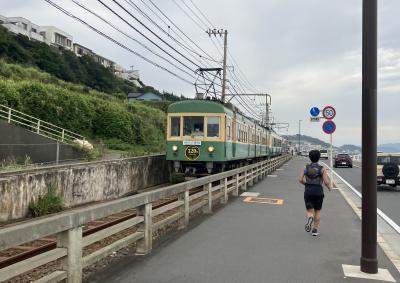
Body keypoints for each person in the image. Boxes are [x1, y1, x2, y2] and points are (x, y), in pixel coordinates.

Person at [298, 149, 332, 236]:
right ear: (319, 157)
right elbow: (326, 181)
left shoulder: (305, 167)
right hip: (318, 191)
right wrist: (329, 187)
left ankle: (310, 218)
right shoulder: (322, 168)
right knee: (317, 211)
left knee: (310, 211)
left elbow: (300, 179)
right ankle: (315, 230)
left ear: (309, 157)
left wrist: (305, 184)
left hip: (308, 190)